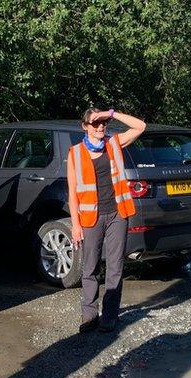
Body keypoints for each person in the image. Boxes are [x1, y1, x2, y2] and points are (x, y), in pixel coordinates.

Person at [67, 108, 146, 333]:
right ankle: (89, 315)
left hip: (117, 214)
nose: (101, 127)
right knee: (90, 267)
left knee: (115, 266)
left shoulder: (113, 143)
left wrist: (112, 113)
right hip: (91, 218)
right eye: (95, 124)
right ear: (85, 126)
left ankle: (110, 316)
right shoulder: (75, 153)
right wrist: (75, 224)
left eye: (104, 123)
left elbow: (140, 126)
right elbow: (72, 192)